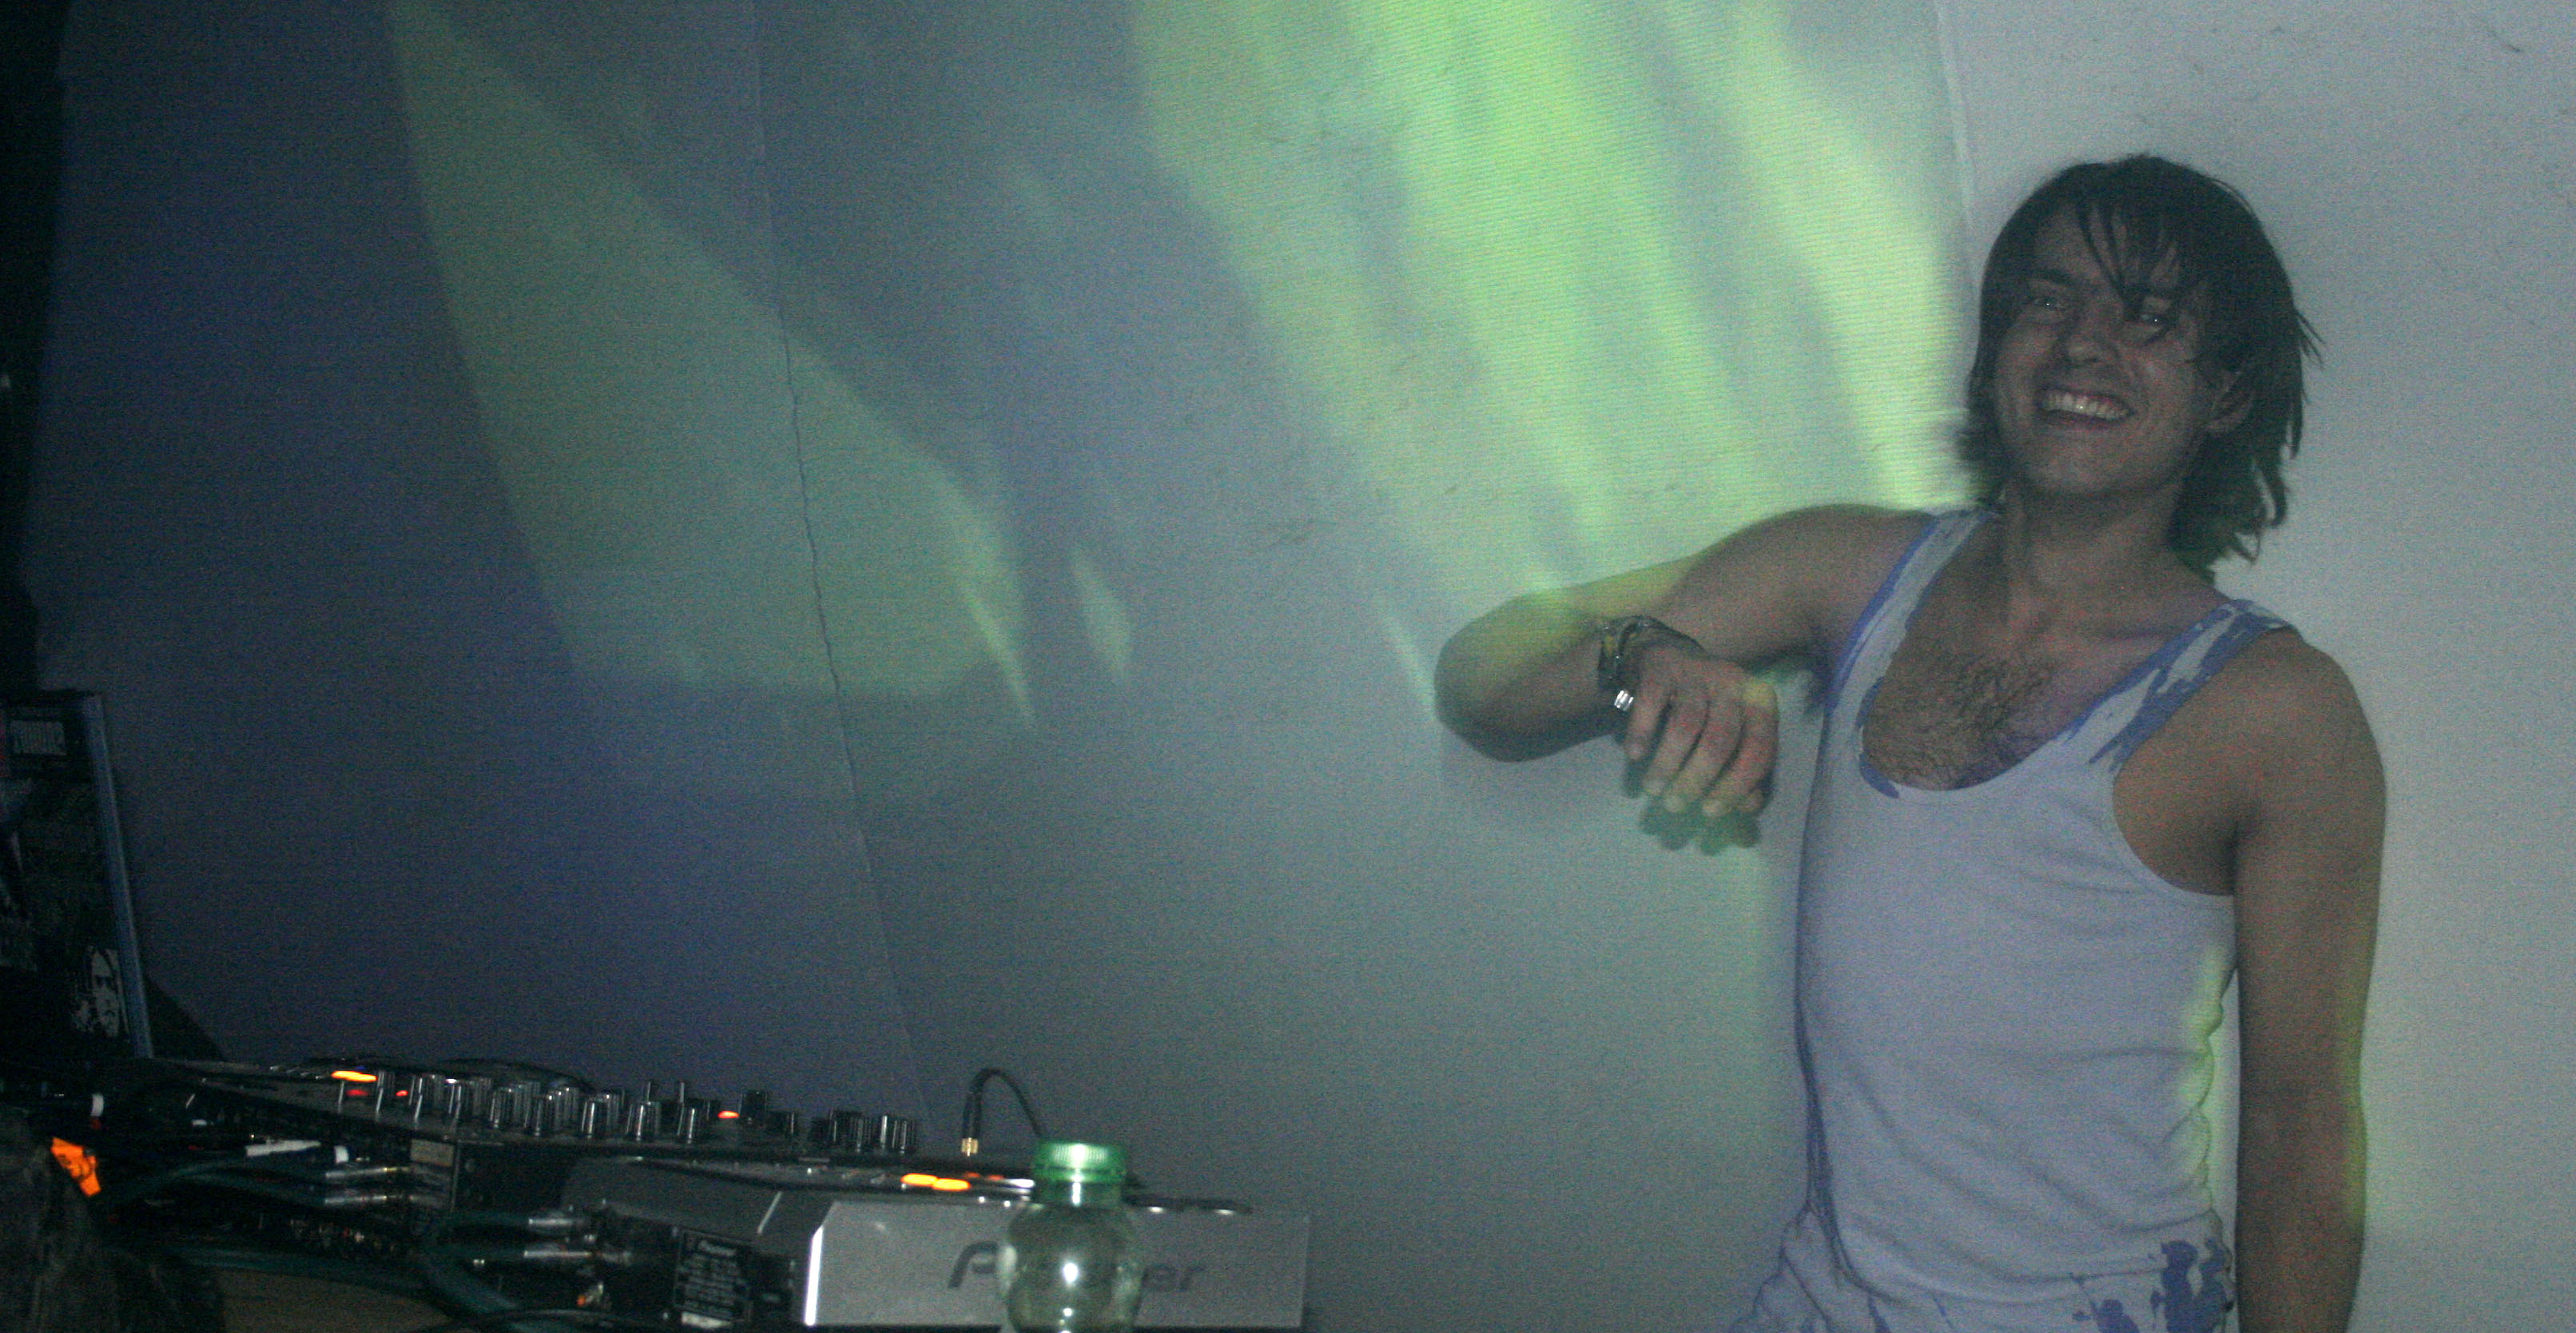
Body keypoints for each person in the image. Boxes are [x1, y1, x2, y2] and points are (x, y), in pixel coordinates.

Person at [1435, 157, 2379, 1333]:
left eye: (2147, 318)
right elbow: (1480, 676)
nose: (2083, 343)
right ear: (1996, 352)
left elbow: (2300, 1128)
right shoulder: (1849, 569)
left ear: (2226, 391)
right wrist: (1642, 657)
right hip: (1822, 1302)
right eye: (2048, 299)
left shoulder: (2275, 708)